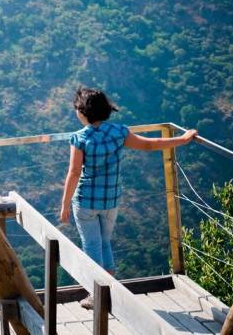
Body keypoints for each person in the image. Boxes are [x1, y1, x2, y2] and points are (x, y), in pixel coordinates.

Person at [59, 87, 197, 308]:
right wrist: (182, 139)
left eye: (77, 109)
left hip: (86, 201)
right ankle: (109, 285)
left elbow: (74, 173)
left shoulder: (79, 138)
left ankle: (98, 295)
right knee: (105, 242)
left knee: (92, 245)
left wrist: (65, 204)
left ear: (83, 112)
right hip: (111, 200)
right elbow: (151, 145)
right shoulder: (119, 132)